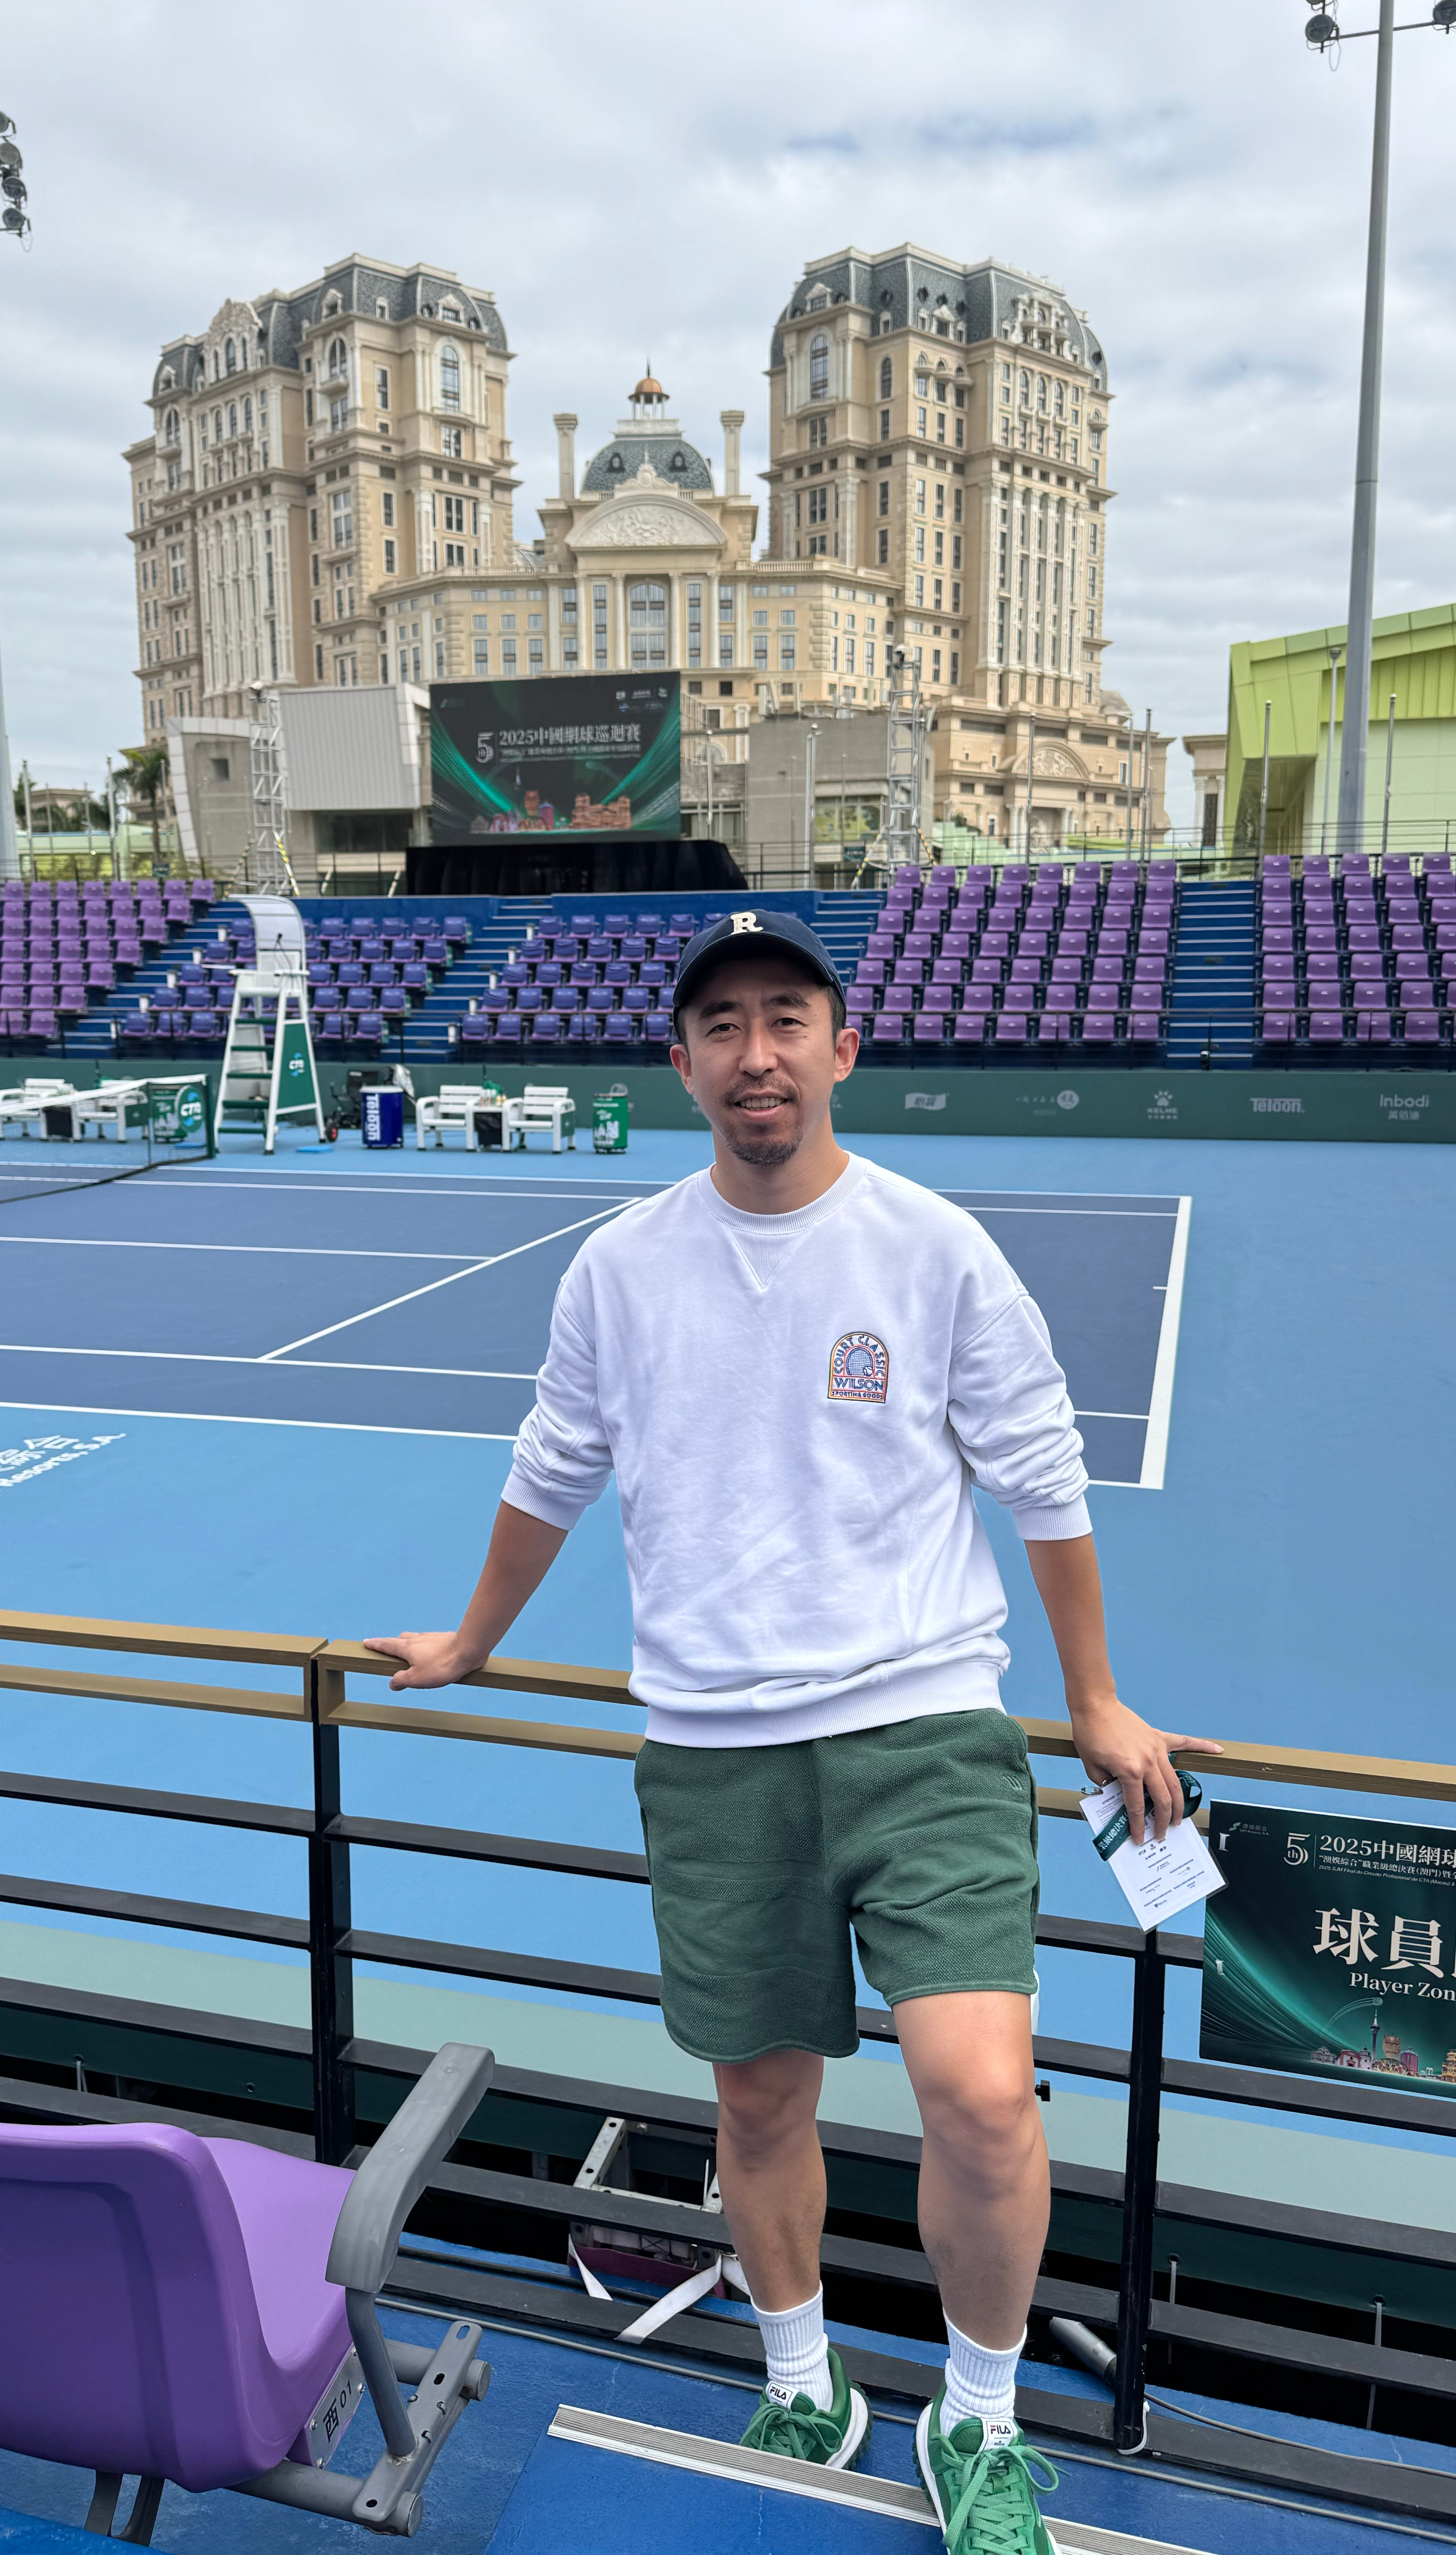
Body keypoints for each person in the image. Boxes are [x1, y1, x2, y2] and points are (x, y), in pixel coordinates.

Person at [368, 907, 1221, 2550]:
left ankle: (974, 2423)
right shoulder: (620, 1264)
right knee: (756, 2104)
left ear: (843, 1047)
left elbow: (1041, 1475)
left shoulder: (934, 1247)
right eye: (721, 1027)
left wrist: (1093, 1698)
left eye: (785, 1019)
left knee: (977, 2092)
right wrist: (473, 1640)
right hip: (709, 1748)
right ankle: (802, 2374)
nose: (755, 1053)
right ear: (679, 1061)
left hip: (922, 1728)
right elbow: (555, 1465)